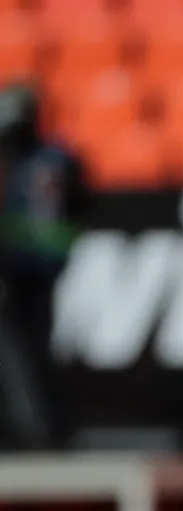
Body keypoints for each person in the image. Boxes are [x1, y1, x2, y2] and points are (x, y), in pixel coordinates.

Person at [0, 80, 87, 450]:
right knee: (31, 352)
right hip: (35, 270)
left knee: (29, 353)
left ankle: (37, 431)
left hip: (27, 272)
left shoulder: (33, 161)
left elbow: (73, 211)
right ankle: (34, 429)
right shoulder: (57, 157)